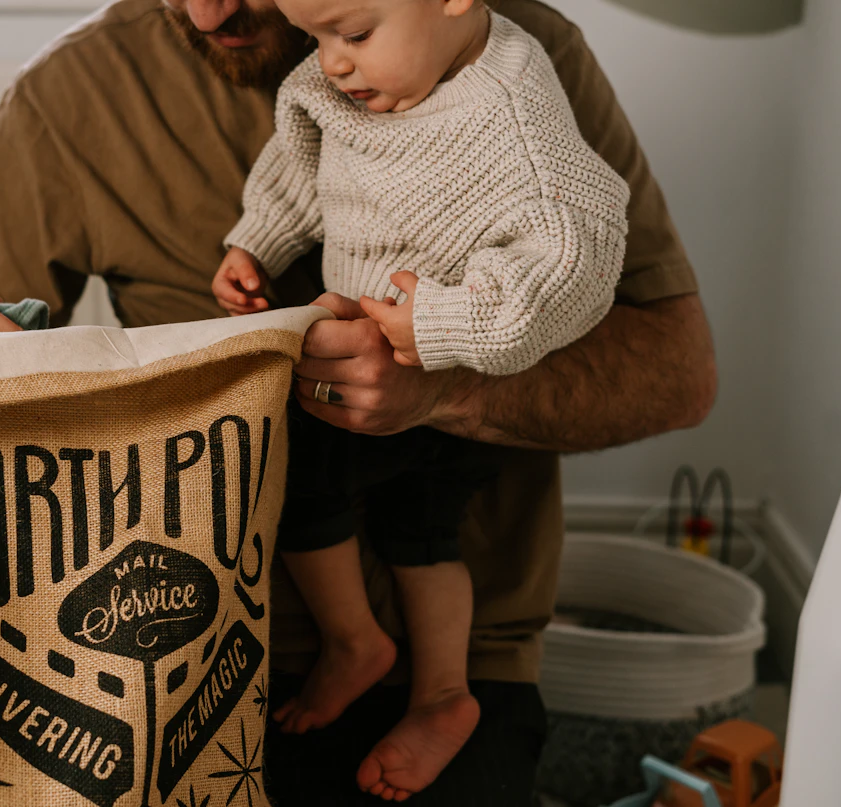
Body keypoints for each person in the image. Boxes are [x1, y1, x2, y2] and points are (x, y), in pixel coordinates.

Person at [0, 0, 717, 803]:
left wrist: (446, 377)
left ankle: (435, 686)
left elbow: (679, 373)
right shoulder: (78, 92)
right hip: (180, 642)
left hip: (462, 649)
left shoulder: (516, 59)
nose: (207, 14)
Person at [209, 0, 629, 797]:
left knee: (411, 527)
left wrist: (441, 324)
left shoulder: (513, 105)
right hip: (349, 372)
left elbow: (577, 248)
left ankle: (430, 686)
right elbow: (300, 161)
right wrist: (256, 238)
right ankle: (372, 650)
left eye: (355, 35)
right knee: (352, 508)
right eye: (317, 37)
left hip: (450, 368)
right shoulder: (334, 87)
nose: (332, 61)